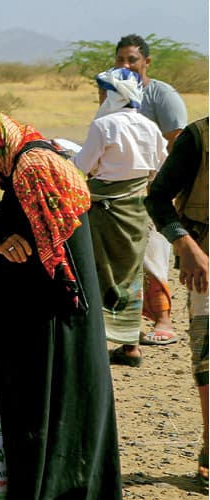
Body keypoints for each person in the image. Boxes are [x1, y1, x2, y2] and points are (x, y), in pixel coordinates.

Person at [0, 110, 122, 498]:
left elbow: (2, 234)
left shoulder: (31, 171)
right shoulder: (47, 158)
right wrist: (1, 237)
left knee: (39, 403)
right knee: (75, 394)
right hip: (68, 311)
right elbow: (8, 235)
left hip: (42, 316)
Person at [74, 68, 168, 367]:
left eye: (103, 91)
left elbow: (83, 164)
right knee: (131, 273)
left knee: (101, 269)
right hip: (138, 208)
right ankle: (130, 346)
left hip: (106, 209)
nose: (100, 96)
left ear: (113, 94)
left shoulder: (104, 125)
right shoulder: (149, 126)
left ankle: (97, 345)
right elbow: (160, 165)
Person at [112, 34, 191, 345]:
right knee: (126, 255)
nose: (126, 65)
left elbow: (178, 142)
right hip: (120, 188)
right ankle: (128, 324)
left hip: (154, 186)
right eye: (120, 59)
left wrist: (161, 184)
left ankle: (163, 318)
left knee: (154, 253)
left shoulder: (161, 95)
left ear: (146, 62)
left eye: (132, 59)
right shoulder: (116, 94)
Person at [144, 116, 209, 484]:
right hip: (206, 262)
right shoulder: (198, 137)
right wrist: (185, 246)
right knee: (208, 355)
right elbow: (157, 198)